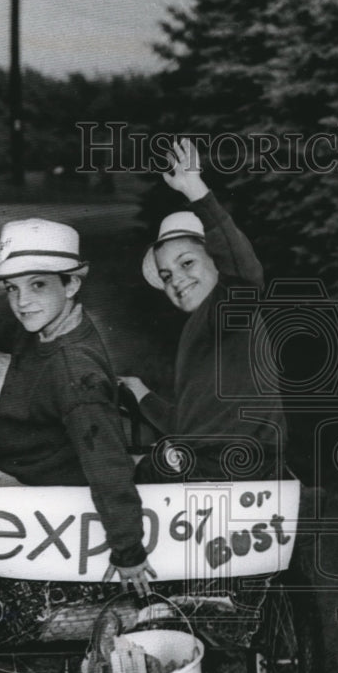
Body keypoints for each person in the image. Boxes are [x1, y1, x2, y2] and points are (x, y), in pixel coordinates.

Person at [0, 193, 155, 595]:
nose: (22, 301)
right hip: (33, 467)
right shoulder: (44, 326)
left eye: (38, 285)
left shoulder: (74, 370)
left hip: (36, 481)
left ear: (72, 283)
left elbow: (107, 463)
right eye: (12, 288)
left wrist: (128, 550)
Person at [121, 138, 287, 482]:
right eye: (166, 276)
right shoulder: (206, 326)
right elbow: (193, 425)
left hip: (237, 472)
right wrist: (142, 396)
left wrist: (197, 190)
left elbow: (245, 271)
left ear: (217, 260)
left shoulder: (231, 310)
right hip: (214, 464)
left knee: (113, 482)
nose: (177, 280)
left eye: (187, 263)